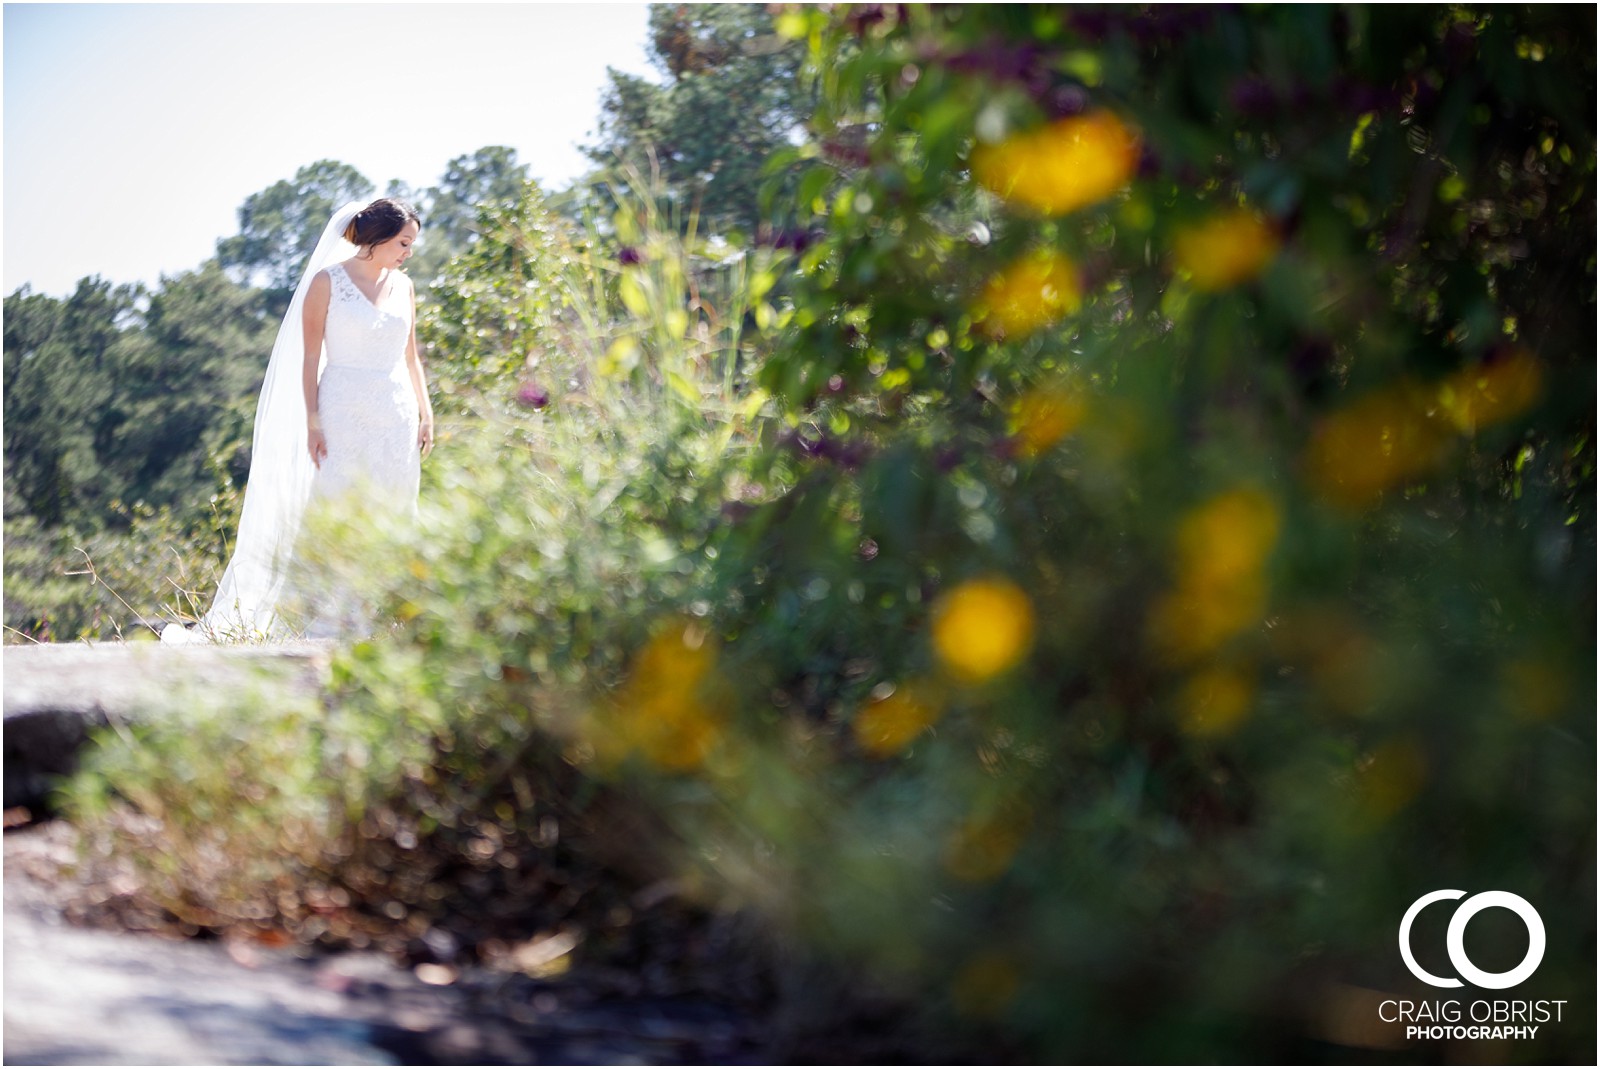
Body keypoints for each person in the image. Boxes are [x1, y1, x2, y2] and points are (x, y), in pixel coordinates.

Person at [162, 198, 435, 643]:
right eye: (404, 242)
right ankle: (328, 618)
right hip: (341, 407)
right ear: (379, 236)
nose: (408, 251)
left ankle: (387, 615)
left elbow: (411, 355)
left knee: (393, 505)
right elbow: (310, 358)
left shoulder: (404, 286)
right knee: (339, 504)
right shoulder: (327, 282)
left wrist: (425, 412)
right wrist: (313, 421)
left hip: (395, 410)